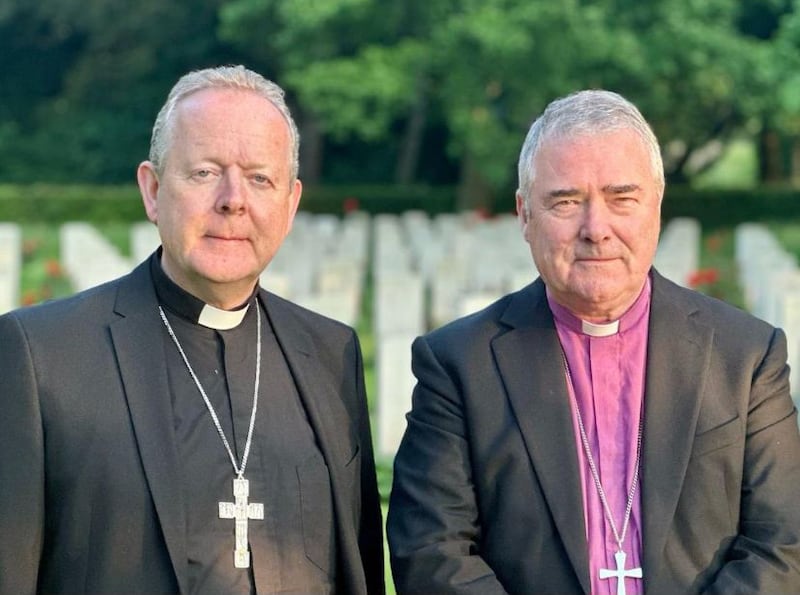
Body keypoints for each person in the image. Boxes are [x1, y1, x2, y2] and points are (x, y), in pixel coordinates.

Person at [387, 89, 800, 594]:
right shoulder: (457, 364)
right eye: (566, 202)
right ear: (524, 214)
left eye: (621, 198)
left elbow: (781, 543)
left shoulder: (746, 356)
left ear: (656, 207)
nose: (596, 229)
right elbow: (433, 551)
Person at [0, 65, 384, 595]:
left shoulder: (331, 352)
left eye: (259, 178)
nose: (232, 199)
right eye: (204, 172)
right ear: (153, 190)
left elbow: (358, 562)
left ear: (290, 204)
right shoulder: (42, 356)